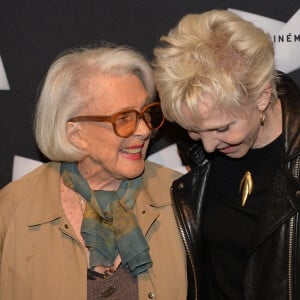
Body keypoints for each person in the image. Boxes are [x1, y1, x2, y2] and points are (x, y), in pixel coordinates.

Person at [0, 45, 187, 300]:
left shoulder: (179, 196)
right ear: (76, 134)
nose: (144, 131)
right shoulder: (13, 210)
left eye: (146, 113)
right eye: (124, 119)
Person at [153, 9, 300, 300]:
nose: (208, 147)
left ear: (262, 96)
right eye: (193, 130)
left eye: (222, 128)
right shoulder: (202, 146)